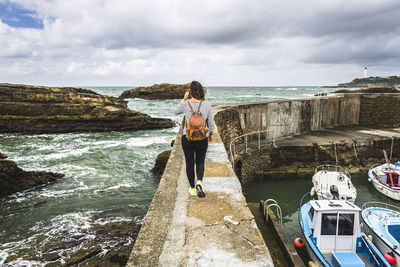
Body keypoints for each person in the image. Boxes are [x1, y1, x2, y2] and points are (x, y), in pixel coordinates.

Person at [174, 81, 215, 197]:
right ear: (201, 91)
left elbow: (175, 111)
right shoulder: (207, 104)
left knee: (189, 163)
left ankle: (192, 189)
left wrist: (183, 99)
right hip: (202, 137)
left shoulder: (186, 104)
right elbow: (211, 124)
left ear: (190, 92)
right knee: (200, 161)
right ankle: (199, 182)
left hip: (187, 138)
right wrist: (210, 135)